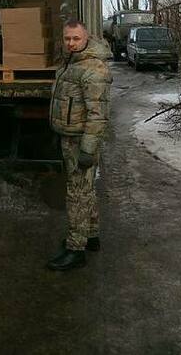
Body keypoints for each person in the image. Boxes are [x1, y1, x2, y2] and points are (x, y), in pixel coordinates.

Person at [46, 20, 112, 271]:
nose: (71, 43)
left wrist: (87, 149)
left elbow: (98, 115)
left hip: (81, 141)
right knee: (85, 190)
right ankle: (90, 236)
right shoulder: (72, 62)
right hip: (71, 136)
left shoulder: (93, 69)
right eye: (67, 39)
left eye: (76, 38)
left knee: (77, 194)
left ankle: (76, 249)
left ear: (86, 38)